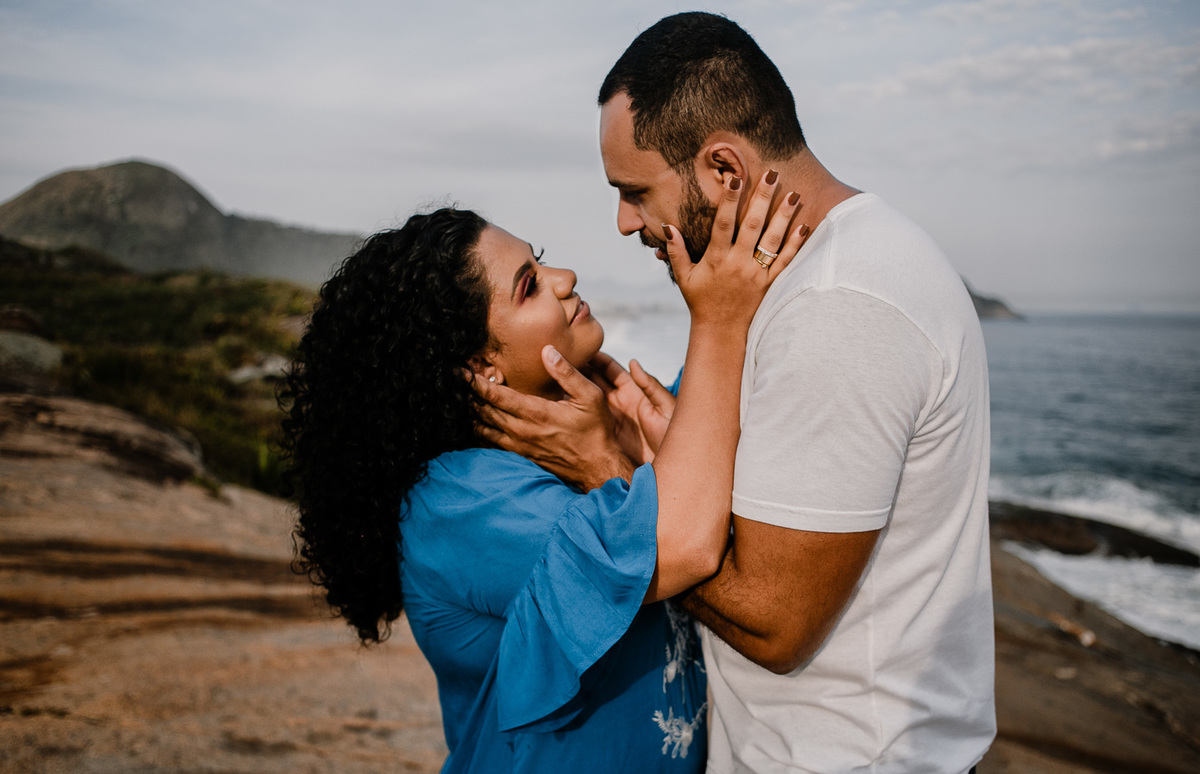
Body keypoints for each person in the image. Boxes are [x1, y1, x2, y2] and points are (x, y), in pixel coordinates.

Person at [479, 11, 995, 774]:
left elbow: (777, 626)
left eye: (635, 191)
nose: (625, 223)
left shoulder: (841, 304)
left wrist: (611, 475)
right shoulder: (805, 282)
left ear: (723, 170)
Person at [279, 181, 807, 772]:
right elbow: (679, 542)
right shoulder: (460, 501)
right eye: (531, 285)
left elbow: (715, 403)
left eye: (542, 257)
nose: (565, 277)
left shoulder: (596, 418)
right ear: (482, 367)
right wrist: (716, 320)